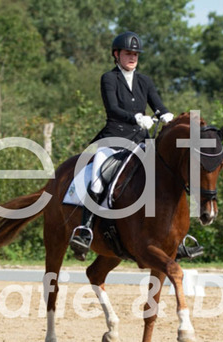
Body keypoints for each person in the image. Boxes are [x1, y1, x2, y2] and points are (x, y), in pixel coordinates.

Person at [69, 31, 201, 262]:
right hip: (114, 140)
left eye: (135, 54)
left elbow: (158, 105)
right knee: (98, 178)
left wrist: (166, 115)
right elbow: (112, 109)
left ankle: (176, 238)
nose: (132, 57)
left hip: (141, 142)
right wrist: (136, 118)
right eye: (128, 53)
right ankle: (85, 230)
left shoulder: (144, 81)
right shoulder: (109, 79)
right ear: (116, 55)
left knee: (167, 179)